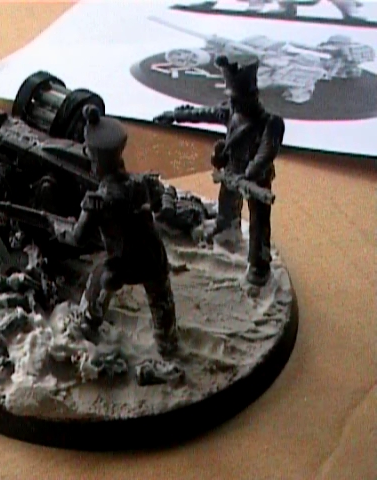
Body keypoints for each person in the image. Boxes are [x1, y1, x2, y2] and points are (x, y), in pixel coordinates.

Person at [56, 105, 178, 356]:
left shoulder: (97, 201)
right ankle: (167, 341)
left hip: (121, 265)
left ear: (97, 162)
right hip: (153, 256)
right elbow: (165, 197)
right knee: (160, 296)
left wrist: (57, 227)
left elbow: (77, 238)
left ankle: (88, 322)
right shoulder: (141, 183)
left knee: (98, 278)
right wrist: (164, 207)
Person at [153, 55, 285, 287]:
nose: (232, 102)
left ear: (251, 96)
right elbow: (202, 114)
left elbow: (266, 153)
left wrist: (249, 174)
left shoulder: (270, 122)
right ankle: (227, 230)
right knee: (227, 206)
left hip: (256, 179)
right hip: (231, 170)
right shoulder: (231, 111)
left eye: (236, 97)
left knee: (259, 222)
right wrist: (175, 115)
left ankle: (259, 265)